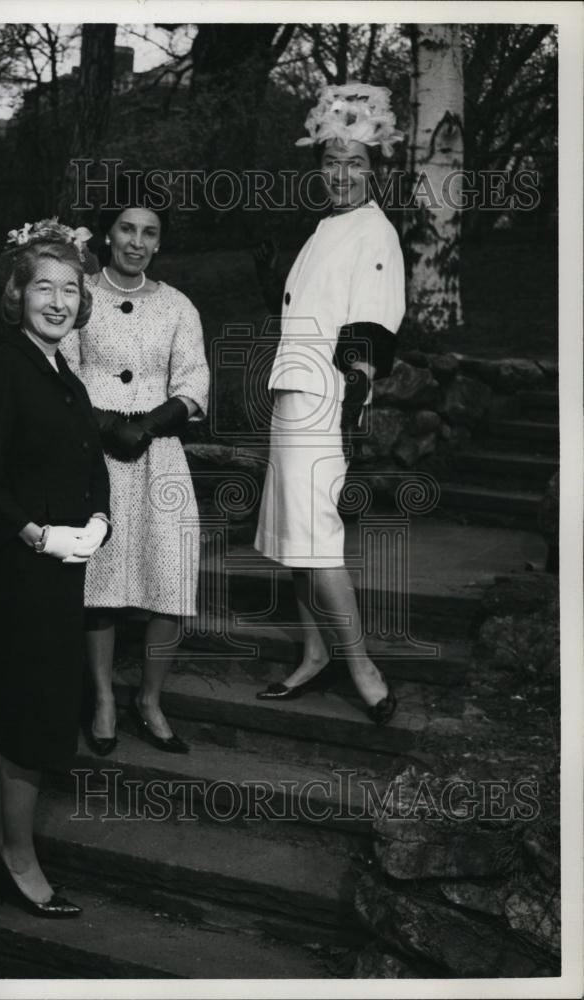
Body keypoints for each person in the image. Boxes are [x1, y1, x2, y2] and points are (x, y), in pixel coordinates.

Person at [0, 217, 111, 917]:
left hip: (63, 572)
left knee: (23, 711)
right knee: (33, 717)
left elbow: (92, 464)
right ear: (17, 294)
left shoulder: (64, 376)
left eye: (70, 289)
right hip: (23, 575)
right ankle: (22, 864)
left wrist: (99, 524)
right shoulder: (3, 369)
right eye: (42, 287)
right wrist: (37, 537)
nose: (57, 300)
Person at [253, 83, 405, 725]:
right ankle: (314, 654)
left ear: (374, 170)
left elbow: (371, 325)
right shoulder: (324, 228)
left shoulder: (375, 232)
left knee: (318, 540)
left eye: (356, 163)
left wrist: (354, 401)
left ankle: (361, 665)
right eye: (332, 161)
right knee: (293, 535)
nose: (341, 175)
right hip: (294, 395)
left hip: (325, 403)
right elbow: (313, 312)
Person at [60, 191, 209, 755]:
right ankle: (102, 700)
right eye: (127, 229)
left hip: (159, 456)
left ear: (159, 241)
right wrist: (103, 424)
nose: (137, 243)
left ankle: (149, 699)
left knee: (171, 578)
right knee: (98, 581)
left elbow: (194, 382)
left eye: (150, 233)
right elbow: (62, 371)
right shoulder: (81, 296)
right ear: (107, 234)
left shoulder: (177, 305)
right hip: (92, 454)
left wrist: (144, 425)